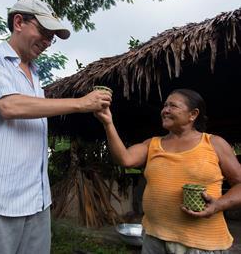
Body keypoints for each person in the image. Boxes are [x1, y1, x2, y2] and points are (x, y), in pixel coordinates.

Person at [0, 0, 112, 254]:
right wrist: (80, 103)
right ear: (18, 22)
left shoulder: (35, 75)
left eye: (51, 38)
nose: (47, 42)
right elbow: (9, 107)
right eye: (44, 33)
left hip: (36, 202)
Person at [94, 88, 241, 254]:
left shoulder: (214, 143)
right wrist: (108, 123)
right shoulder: (153, 144)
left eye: (173, 106)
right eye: (165, 106)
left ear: (193, 114)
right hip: (154, 238)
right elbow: (126, 159)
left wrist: (218, 205)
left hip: (201, 243)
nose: (165, 110)